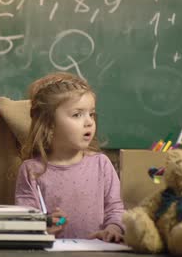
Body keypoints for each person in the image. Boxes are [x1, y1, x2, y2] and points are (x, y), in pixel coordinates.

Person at [14, 72, 124, 242]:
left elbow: (115, 210)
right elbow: (25, 222)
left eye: (91, 114)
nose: (89, 122)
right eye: (77, 114)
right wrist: (45, 226)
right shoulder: (31, 170)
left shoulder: (101, 164)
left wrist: (113, 229)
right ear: (50, 125)